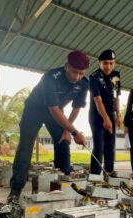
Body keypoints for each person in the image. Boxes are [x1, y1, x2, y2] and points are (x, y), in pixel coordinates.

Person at [8, 51, 90, 203]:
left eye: (81, 73)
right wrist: (74, 132)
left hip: (58, 111)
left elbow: (76, 107)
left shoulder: (84, 82)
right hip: (35, 110)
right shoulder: (51, 77)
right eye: (74, 72)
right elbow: (53, 109)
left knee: (63, 142)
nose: (77, 77)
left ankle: (62, 186)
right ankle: (15, 190)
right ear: (66, 67)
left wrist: (67, 131)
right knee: (26, 146)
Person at [89, 49, 121, 175]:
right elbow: (98, 101)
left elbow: (116, 96)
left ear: (114, 63)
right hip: (97, 117)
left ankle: (109, 175)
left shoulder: (115, 76)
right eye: (105, 63)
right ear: (100, 63)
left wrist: (118, 115)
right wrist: (106, 119)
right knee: (99, 147)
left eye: (111, 63)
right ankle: (95, 177)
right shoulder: (94, 77)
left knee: (110, 147)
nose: (108, 66)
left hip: (111, 116)